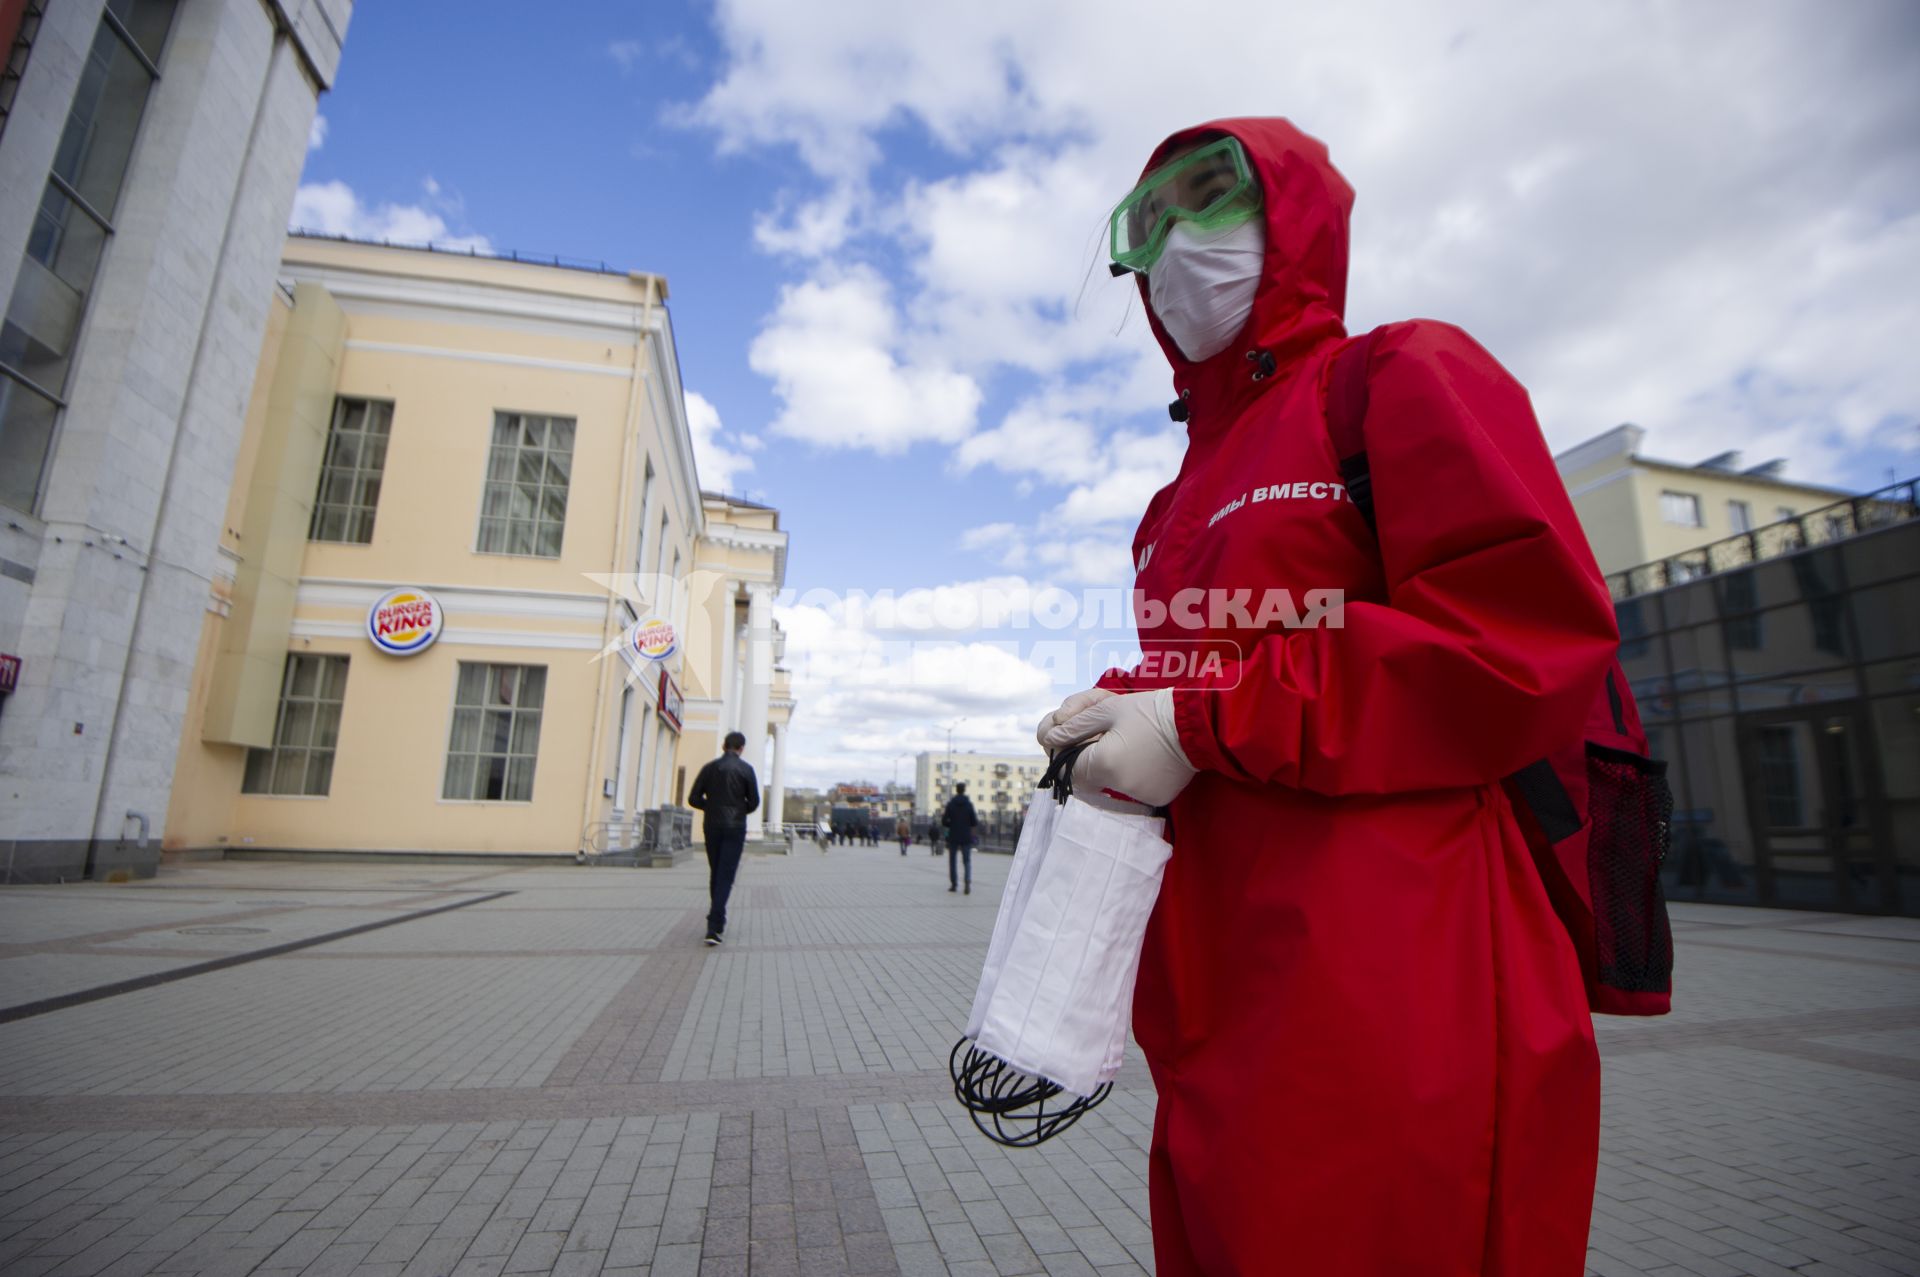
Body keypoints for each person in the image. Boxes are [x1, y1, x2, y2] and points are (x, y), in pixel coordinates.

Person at [1035, 119, 1618, 1275]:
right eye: (1144, 226)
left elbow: (1519, 639)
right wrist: (1118, 705)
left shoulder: (1400, 376)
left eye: (1208, 197)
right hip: (1216, 978)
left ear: (1294, 218)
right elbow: (1224, 657)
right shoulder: (1177, 499)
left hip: (1391, 963)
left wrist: (1197, 720)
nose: (1176, 242)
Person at [686, 730, 759, 946]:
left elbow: (693, 798)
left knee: (716, 872)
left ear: (723, 746)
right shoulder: (746, 770)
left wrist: (711, 807)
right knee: (726, 875)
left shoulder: (709, 768)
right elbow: (754, 802)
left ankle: (716, 920)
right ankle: (715, 924)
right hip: (735, 827)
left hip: (712, 826)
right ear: (741, 748)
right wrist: (738, 809)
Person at [941, 783, 978, 895]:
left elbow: (944, 821)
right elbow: (974, 822)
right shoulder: (969, 804)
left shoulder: (951, 804)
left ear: (956, 790)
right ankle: (967, 882)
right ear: (964, 790)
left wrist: (951, 824)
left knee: (953, 861)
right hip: (966, 836)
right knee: (966, 861)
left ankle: (954, 884)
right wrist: (967, 824)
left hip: (953, 836)